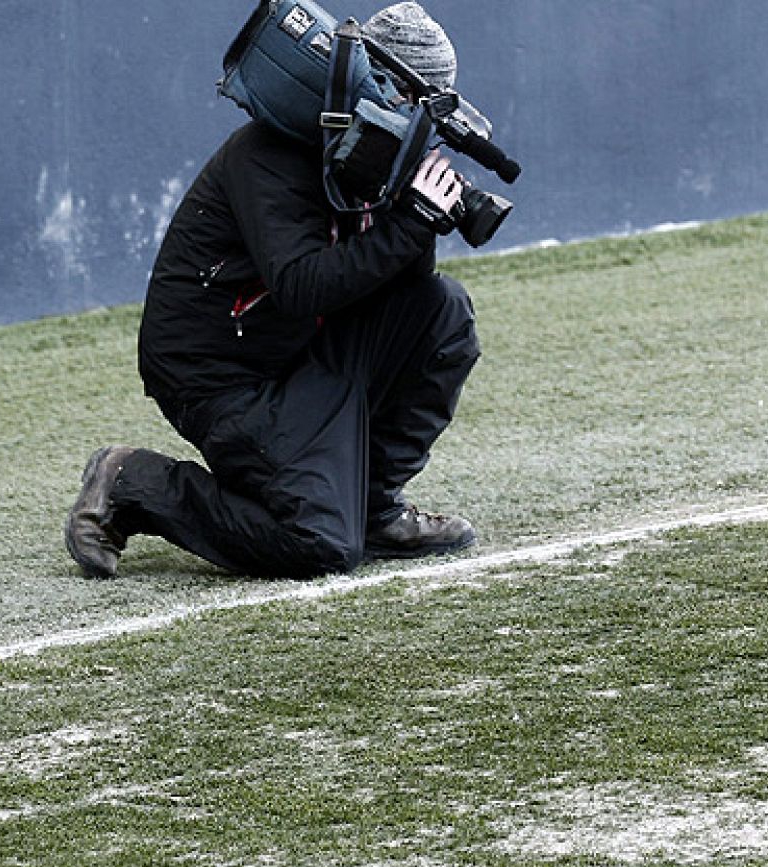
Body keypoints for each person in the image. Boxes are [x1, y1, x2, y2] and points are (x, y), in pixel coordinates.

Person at [65, 2, 480, 580]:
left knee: (442, 312)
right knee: (319, 544)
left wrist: (417, 208)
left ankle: (373, 508)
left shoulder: (368, 157)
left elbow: (401, 293)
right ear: (378, 88)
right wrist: (409, 221)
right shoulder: (267, 154)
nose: (419, 123)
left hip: (294, 354)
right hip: (220, 377)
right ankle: (134, 480)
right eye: (418, 106)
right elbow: (301, 287)